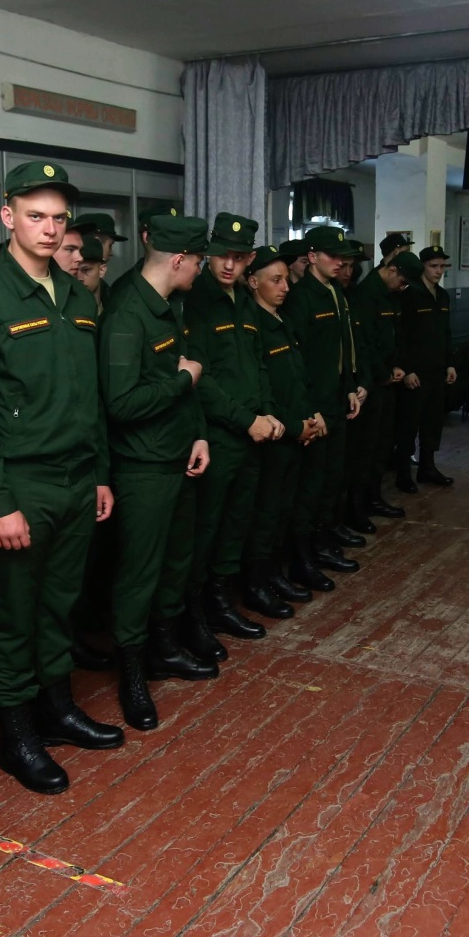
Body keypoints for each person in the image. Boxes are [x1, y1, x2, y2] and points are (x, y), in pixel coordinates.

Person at [0, 161, 122, 797]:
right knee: (13, 611)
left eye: (58, 218)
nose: (49, 229)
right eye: (35, 216)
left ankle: (58, 709)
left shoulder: (73, 293)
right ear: (8, 217)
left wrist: (99, 473)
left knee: (59, 602)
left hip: (76, 478)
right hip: (19, 484)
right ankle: (18, 734)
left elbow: (90, 396)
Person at [103, 213, 221, 717]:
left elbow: (182, 378)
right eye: (198, 262)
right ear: (178, 260)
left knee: (176, 562)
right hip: (142, 466)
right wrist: (183, 380)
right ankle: (132, 674)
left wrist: (198, 433)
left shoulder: (170, 304)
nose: (201, 270)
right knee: (139, 574)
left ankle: (165, 649)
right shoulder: (127, 313)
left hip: (177, 454)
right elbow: (120, 403)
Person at [184, 213, 283, 636]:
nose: (229, 265)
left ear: (250, 259)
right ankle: (195, 614)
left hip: (252, 432)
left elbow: (258, 364)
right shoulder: (195, 297)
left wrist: (267, 411)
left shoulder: (243, 299)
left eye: (239, 258)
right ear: (208, 253)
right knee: (206, 528)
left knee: (236, 523)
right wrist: (247, 420)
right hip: (218, 436)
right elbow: (199, 378)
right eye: (222, 255)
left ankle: (222, 603)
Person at [240, 245, 325, 608]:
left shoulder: (281, 320)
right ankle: (257, 583)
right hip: (275, 435)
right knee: (266, 512)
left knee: (285, 508)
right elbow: (264, 392)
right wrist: (293, 426)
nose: (285, 287)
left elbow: (297, 378)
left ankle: (276, 573)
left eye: (286, 279)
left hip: (296, 432)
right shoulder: (253, 325)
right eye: (275, 280)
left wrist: (312, 415)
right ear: (252, 282)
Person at [289, 223, 366, 576]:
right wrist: (309, 408)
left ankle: (326, 536)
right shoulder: (301, 297)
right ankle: (307, 553)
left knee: (334, 476)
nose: (339, 263)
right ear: (312, 257)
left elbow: (343, 347)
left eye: (342, 257)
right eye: (332, 256)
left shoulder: (336, 291)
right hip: (315, 405)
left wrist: (349, 386)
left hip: (336, 398)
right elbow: (298, 360)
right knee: (313, 483)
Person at [349, 249, 417, 521]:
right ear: (391, 270)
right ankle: (358, 505)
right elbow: (365, 343)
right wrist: (382, 373)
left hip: (388, 379)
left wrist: (397, 367)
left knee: (382, 443)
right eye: (402, 281)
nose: (402, 287)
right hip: (372, 382)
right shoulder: (367, 294)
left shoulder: (390, 295)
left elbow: (394, 336)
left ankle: (374, 497)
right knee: (366, 447)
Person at [395, 244, 458, 489]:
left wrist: (450, 364)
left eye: (442, 266)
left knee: (432, 422)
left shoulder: (442, 296)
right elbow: (401, 336)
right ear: (423, 267)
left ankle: (427, 467)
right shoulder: (409, 294)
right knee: (408, 425)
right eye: (434, 266)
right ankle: (403, 473)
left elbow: (446, 332)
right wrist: (406, 369)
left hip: (436, 370)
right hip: (416, 372)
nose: (439, 271)